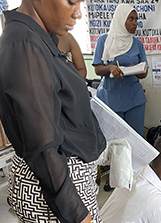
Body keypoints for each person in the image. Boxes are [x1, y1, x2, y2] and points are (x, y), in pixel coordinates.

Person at [0, 1, 107, 223]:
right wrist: (78, 215)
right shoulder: (24, 43)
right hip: (57, 189)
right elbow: (42, 146)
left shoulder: (38, 37)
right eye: (71, 1)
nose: (78, 12)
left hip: (67, 181)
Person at [92, 3, 148, 191]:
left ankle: (135, 177)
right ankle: (115, 180)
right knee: (115, 142)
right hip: (110, 98)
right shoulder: (104, 40)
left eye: (136, 19)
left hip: (133, 98)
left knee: (135, 140)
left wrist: (136, 70)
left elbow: (144, 72)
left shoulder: (137, 43)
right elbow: (98, 68)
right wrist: (110, 69)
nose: (134, 23)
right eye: (130, 19)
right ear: (120, 19)